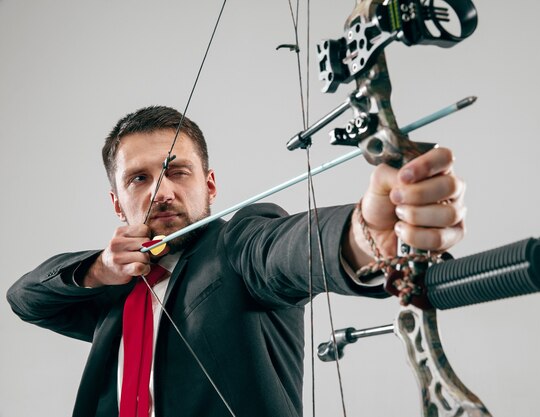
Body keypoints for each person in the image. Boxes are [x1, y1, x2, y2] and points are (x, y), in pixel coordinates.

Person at [6, 106, 466, 417]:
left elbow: (285, 250)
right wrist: (99, 270)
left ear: (210, 186)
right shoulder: (113, 292)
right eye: (139, 178)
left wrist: (365, 234)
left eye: (177, 171)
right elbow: (25, 298)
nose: (161, 190)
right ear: (116, 201)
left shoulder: (236, 247)